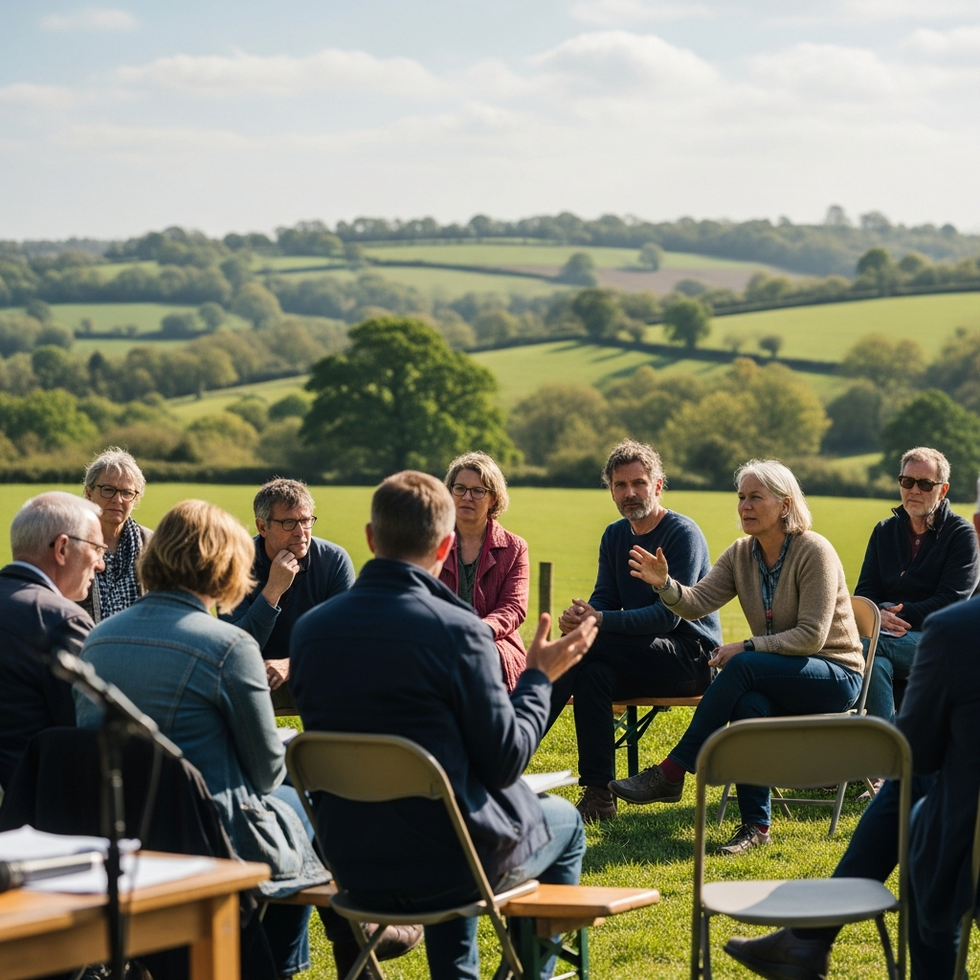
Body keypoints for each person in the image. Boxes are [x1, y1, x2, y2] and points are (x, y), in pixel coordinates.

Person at [290, 471, 599, 980]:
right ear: (447, 544)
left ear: (371, 537)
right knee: (563, 823)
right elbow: (504, 762)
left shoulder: (311, 631)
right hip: (451, 865)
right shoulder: (458, 632)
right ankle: (528, 973)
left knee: (446, 813)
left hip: (351, 864)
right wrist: (539, 679)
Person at [75, 500, 329, 977]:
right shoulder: (228, 645)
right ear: (227, 565)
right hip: (205, 832)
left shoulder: (99, 639)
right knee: (305, 803)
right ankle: (281, 962)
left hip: (118, 827)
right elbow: (265, 771)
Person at [614, 458, 865, 855]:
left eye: (755, 497)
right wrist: (665, 585)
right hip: (778, 674)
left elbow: (812, 637)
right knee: (748, 704)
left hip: (835, 674)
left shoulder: (814, 550)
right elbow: (696, 603)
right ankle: (756, 827)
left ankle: (674, 770)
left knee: (743, 665)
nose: (745, 506)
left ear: (784, 505)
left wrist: (746, 646)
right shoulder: (740, 554)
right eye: (741, 497)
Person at [725, 594, 980, 980]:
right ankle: (809, 939)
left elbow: (914, 754)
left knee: (913, 790)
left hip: (969, 852)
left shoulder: (959, 629)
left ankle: (811, 938)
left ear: (978, 529)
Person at [549, 439, 723, 822]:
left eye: (639, 483)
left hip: (690, 658)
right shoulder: (614, 536)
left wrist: (595, 624)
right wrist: (584, 616)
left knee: (586, 645)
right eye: (620, 485)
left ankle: (511, 747)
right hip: (637, 654)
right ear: (610, 490)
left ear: (658, 485)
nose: (630, 493)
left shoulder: (682, 533)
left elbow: (667, 618)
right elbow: (606, 600)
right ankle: (598, 797)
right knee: (592, 673)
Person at [856, 446, 979, 722]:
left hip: (942, 645)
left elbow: (951, 604)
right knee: (875, 662)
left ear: (943, 490)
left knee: (864, 644)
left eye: (925, 484)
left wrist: (891, 615)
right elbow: (865, 593)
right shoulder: (883, 532)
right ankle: (893, 740)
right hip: (887, 636)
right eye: (907, 481)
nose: (915, 490)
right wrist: (880, 615)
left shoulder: (961, 535)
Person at [222, 478, 355, 712]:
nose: (301, 532)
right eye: (289, 523)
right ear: (262, 527)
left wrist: (291, 665)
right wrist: (272, 591)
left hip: (314, 670)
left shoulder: (334, 561)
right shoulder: (234, 564)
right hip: (252, 672)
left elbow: (341, 640)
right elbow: (233, 647)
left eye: (306, 521)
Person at [0, 492, 104, 787]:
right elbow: (90, 732)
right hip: (31, 815)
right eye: (97, 548)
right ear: (62, 548)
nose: (100, 564)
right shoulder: (60, 620)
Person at [439, 451, 529, 691]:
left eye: (478, 491)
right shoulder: (431, 542)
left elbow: (513, 608)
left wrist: (478, 631)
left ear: (494, 499)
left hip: (496, 644)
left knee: (480, 657)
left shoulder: (514, 547)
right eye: (460, 488)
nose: (467, 497)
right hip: (440, 639)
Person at [79, 447, 152, 623]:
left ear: (135, 499)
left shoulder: (153, 545)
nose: (117, 499)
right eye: (108, 489)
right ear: (89, 493)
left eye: (126, 492)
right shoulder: (70, 542)